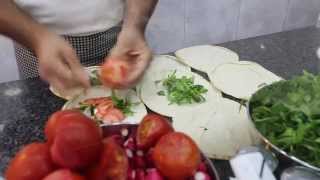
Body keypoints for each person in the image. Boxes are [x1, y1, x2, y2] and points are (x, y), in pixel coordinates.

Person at [0, 0, 158, 91]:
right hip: (32, 41)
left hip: (121, 35)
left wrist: (135, 25)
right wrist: (37, 39)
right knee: (41, 116)